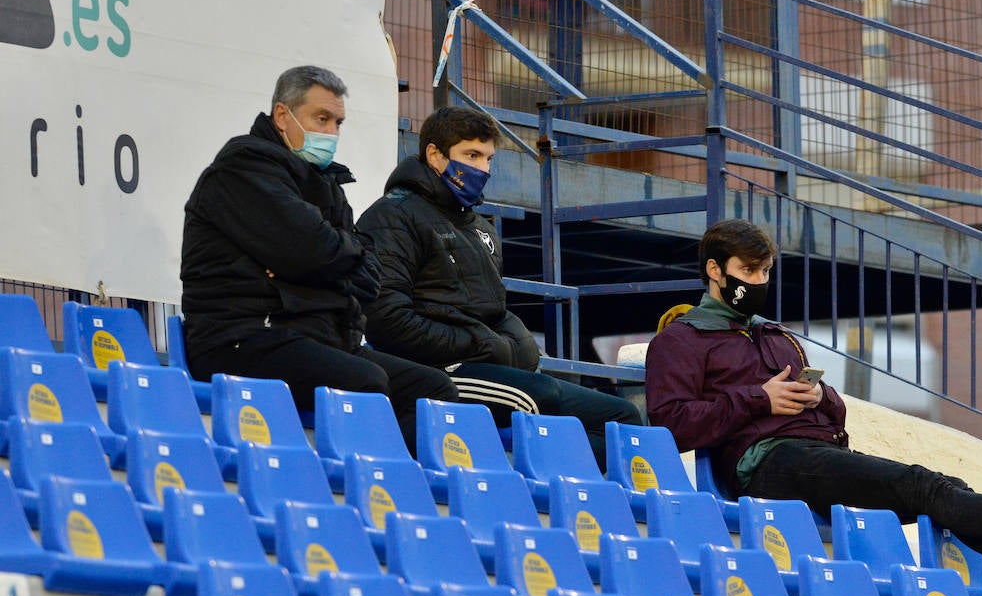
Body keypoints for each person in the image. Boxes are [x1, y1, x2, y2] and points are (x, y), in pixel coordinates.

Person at [645, 218, 982, 590]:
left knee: (944, 490)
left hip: (819, 453)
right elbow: (670, 424)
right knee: (924, 486)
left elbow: (834, 412)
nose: (759, 280)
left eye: (766, 271)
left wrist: (819, 396)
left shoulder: (775, 336)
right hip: (765, 464)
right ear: (714, 270)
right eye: (748, 271)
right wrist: (759, 398)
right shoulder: (680, 340)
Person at [180, 65, 460, 451]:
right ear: (283, 116)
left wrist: (320, 263)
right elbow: (308, 250)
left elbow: (367, 274)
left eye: (338, 123)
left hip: (315, 337)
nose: (331, 133)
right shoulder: (243, 167)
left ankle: (402, 484)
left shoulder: (326, 182)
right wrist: (327, 259)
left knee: (433, 388)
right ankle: (360, 486)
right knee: (365, 381)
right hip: (243, 336)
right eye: (321, 118)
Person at [355, 105, 642, 465]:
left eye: (488, 158)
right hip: (434, 369)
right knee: (536, 398)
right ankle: (528, 497)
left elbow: (495, 310)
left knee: (623, 418)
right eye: (471, 155)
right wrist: (481, 345)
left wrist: (516, 347)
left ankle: (584, 503)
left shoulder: (480, 228)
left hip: (486, 362)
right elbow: (386, 320)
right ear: (434, 155)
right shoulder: (391, 217)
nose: (482, 169)